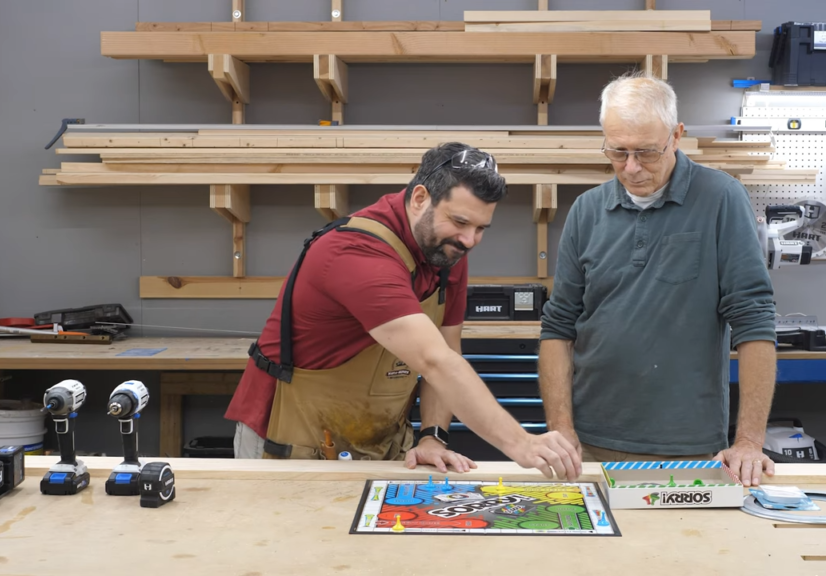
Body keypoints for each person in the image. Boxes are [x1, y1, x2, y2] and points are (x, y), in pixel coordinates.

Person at [225, 142, 581, 481]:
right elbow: (433, 361)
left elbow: (447, 352)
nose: (470, 240)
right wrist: (521, 443)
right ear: (420, 198)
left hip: (377, 440)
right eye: (459, 222)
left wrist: (432, 437)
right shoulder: (355, 252)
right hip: (289, 438)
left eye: (480, 228)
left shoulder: (445, 253)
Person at [537, 72, 777, 487]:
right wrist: (562, 428)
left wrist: (749, 442)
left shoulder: (721, 199)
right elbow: (558, 327)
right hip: (589, 445)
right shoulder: (586, 211)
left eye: (646, 152)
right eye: (617, 152)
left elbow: (754, 321)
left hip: (687, 446)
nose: (631, 168)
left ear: (676, 135)